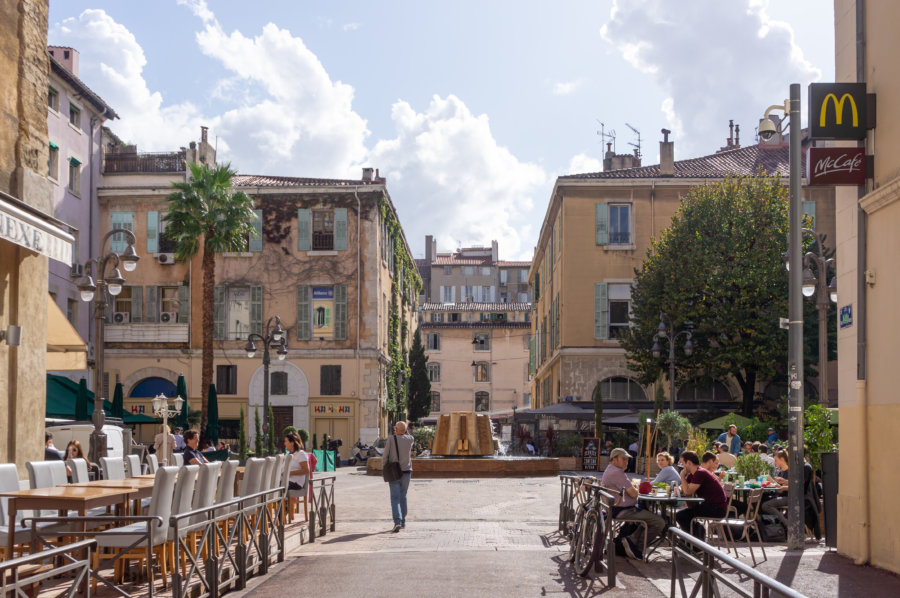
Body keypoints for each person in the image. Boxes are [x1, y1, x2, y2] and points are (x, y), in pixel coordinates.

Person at [599, 448, 665, 561]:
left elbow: (631, 492)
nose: (626, 461)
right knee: (659, 521)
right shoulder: (617, 472)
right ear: (614, 459)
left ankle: (629, 541)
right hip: (623, 511)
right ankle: (636, 547)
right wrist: (635, 489)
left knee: (647, 516)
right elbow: (634, 494)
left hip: (617, 509)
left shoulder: (611, 470)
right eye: (623, 459)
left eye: (627, 459)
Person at [762, 449, 819, 538]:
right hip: (791, 496)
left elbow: (797, 486)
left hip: (794, 497)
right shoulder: (794, 468)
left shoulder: (802, 468)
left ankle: (787, 526)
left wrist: (780, 485)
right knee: (763, 500)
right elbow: (795, 483)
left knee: (765, 505)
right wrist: (783, 482)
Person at [676, 451, 728, 541]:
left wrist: (682, 477)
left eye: (683, 463)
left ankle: (696, 542)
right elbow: (684, 488)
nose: (682, 466)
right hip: (709, 506)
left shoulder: (700, 473)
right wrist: (679, 489)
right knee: (685, 514)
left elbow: (688, 491)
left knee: (681, 515)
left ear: (689, 463)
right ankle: (695, 537)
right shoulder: (694, 474)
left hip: (717, 509)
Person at [381, 421, 414, 533]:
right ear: (405, 430)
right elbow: (408, 434)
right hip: (407, 472)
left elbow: (385, 455)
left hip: (394, 471)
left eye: (395, 428)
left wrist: (384, 467)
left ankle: (397, 522)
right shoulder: (410, 439)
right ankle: (403, 521)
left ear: (396, 430)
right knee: (403, 496)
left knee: (395, 498)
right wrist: (403, 429)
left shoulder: (391, 439)